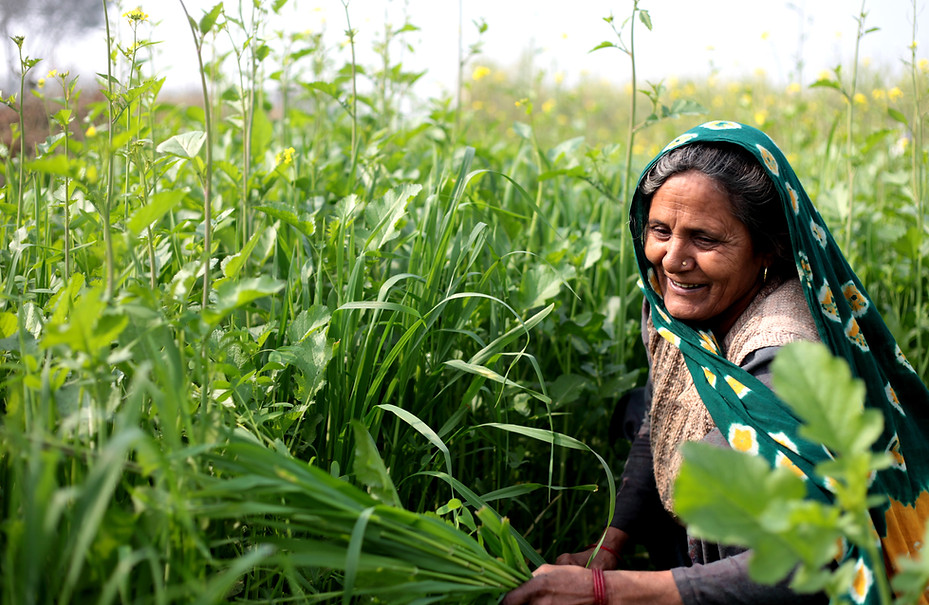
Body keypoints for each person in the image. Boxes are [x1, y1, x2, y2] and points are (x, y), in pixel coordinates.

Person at [503, 122, 929, 605]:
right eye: (660, 231)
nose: (672, 260)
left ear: (767, 248)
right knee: (639, 407)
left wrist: (606, 592)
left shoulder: (785, 356)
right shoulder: (679, 304)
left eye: (704, 239)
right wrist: (610, 546)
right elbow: (661, 416)